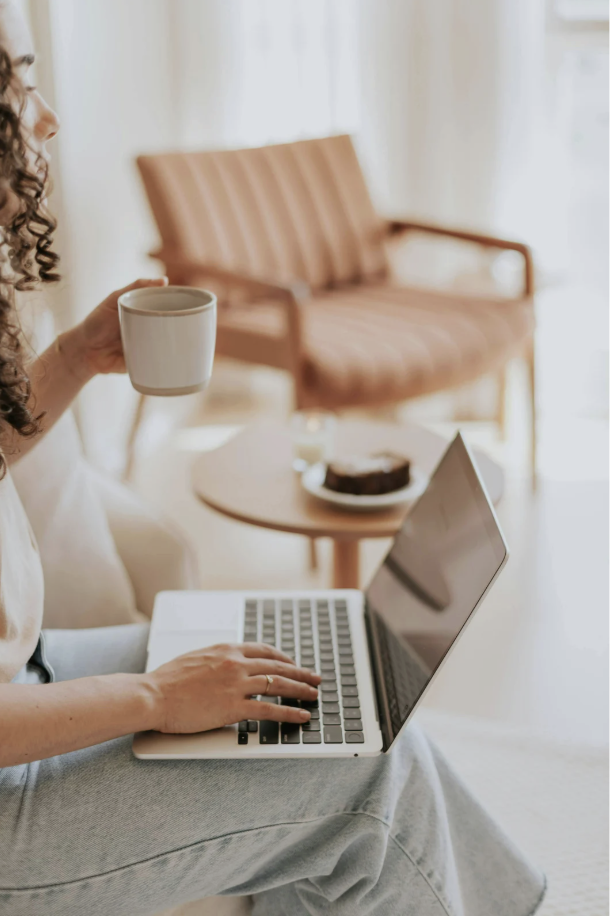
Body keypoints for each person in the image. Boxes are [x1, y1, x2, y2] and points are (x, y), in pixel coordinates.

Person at [0, 3, 545, 914]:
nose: (48, 116)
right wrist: (152, 696)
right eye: (19, 82)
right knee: (364, 778)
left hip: (31, 674)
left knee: (323, 679)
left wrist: (77, 360)